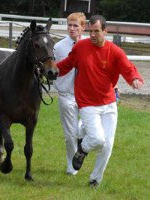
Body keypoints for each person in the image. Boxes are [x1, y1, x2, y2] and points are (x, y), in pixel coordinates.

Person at [56, 15, 144, 187]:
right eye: (91, 31)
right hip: (87, 103)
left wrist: (134, 78)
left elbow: (127, 67)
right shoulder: (81, 47)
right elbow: (66, 64)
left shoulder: (115, 51)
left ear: (105, 31)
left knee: (108, 145)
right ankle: (82, 149)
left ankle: (95, 179)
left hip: (109, 103)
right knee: (98, 139)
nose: (93, 35)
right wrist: (50, 70)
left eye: (97, 31)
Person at [53, 12, 86, 176]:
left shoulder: (90, 45)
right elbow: (52, 69)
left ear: (83, 27)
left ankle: (81, 137)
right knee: (69, 135)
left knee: (87, 130)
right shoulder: (59, 48)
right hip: (67, 94)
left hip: (87, 96)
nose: (72, 29)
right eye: (69, 25)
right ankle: (72, 167)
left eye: (75, 26)